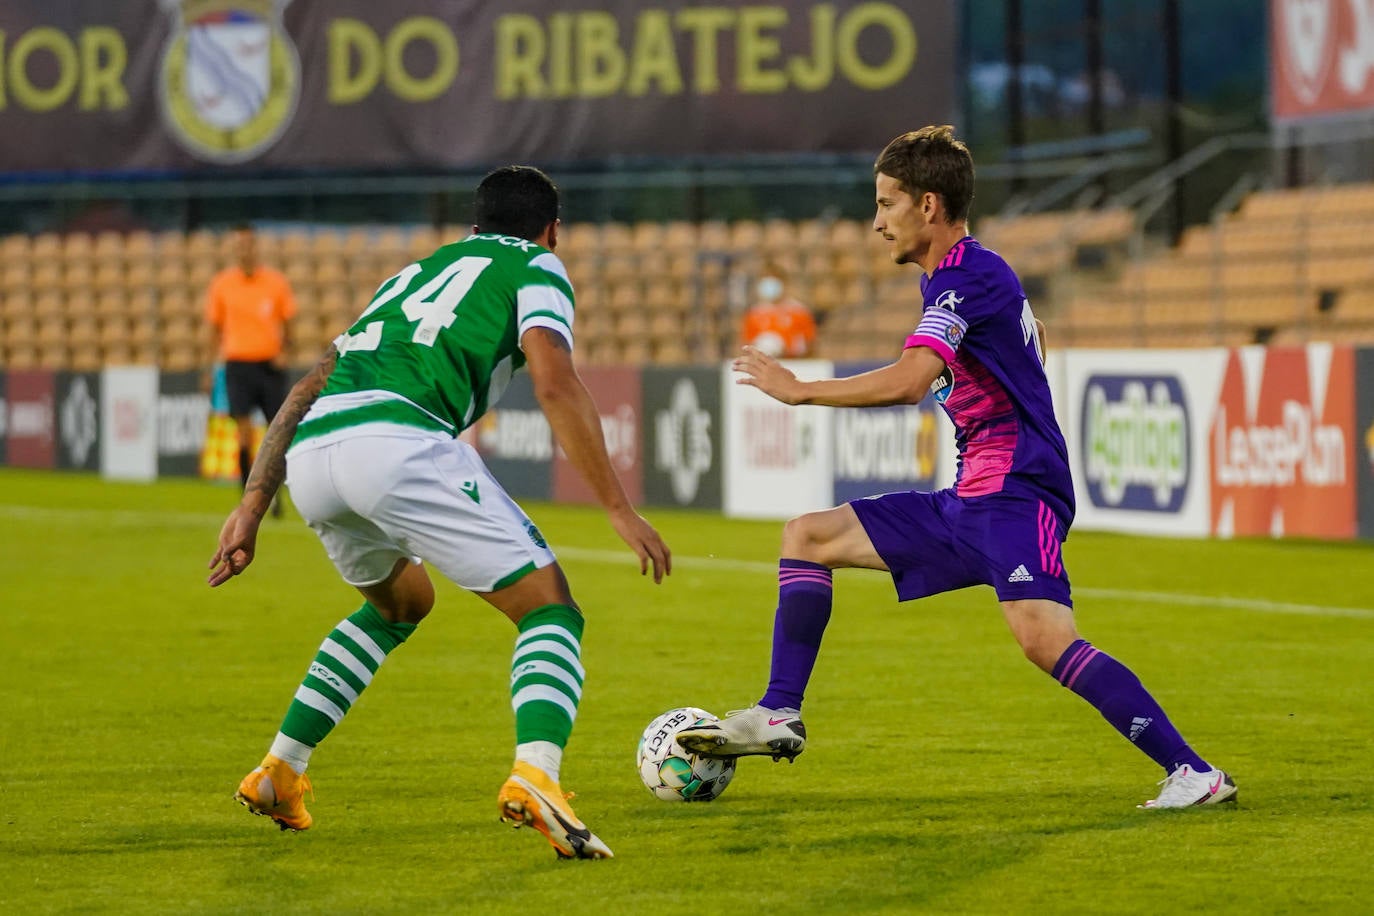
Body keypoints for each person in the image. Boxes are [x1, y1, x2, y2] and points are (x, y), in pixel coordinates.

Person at [676, 126, 1235, 811]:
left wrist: (801, 389)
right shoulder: (961, 279)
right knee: (807, 535)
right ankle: (779, 712)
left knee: (1043, 639)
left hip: (1015, 492)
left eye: (887, 203)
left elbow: (912, 380)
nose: (877, 221)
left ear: (929, 206)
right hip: (974, 496)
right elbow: (1031, 349)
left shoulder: (970, 275)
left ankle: (1194, 773)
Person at [208, 166, 672, 859]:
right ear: (552, 230)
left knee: (401, 603)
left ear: (477, 223)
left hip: (313, 455)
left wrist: (253, 501)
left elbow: (311, 381)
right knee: (549, 609)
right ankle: (537, 776)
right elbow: (554, 380)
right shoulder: (539, 267)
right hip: (398, 441)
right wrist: (618, 507)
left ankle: (281, 770)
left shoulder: (412, 274)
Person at [203, 223, 297, 515]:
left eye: (248, 244)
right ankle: (247, 499)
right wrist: (210, 368)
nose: (244, 250)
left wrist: (285, 351)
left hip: (268, 365)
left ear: (255, 247)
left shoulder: (275, 282)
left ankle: (276, 497)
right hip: (237, 365)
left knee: (276, 433)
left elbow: (288, 321)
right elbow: (214, 329)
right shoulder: (222, 284)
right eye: (238, 245)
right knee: (243, 433)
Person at [740, 265, 816, 358]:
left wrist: (788, 353)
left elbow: (810, 345)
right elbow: (748, 343)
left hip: (792, 365)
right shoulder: (754, 313)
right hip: (763, 366)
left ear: (784, 283)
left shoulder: (799, 311)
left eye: (773, 281)